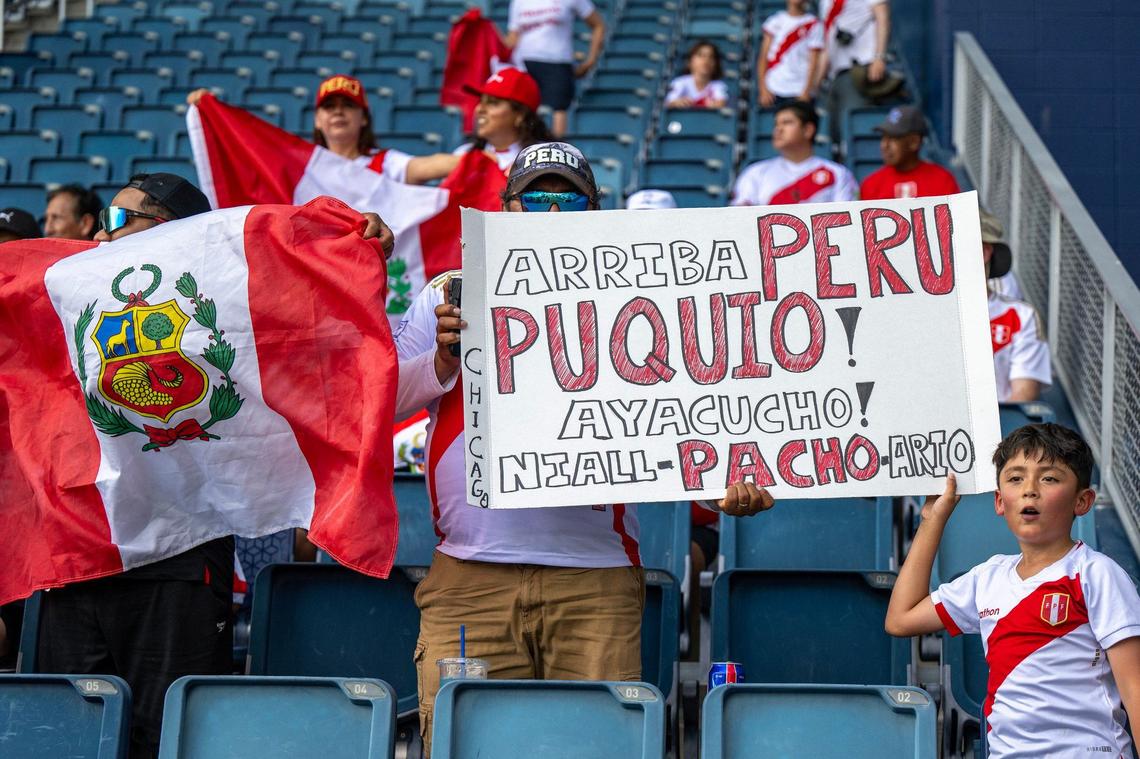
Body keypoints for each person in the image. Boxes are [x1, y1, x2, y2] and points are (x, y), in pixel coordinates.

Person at [394, 141, 776, 755]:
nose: (550, 213)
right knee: (463, 747)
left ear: (595, 209)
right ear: (504, 209)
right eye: (535, 199)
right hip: (467, 574)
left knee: (597, 747)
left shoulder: (646, 297)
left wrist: (724, 488)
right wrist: (440, 361)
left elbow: (673, 419)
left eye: (566, 199)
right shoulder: (451, 292)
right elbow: (381, 403)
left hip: (593, 580)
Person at [38, 173, 393, 758]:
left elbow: (320, 336)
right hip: (79, 554)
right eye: (106, 216)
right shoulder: (64, 295)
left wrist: (347, 244)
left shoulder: (226, 308)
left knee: (166, 739)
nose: (104, 232)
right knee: (67, 739)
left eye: (122, 220)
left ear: (172, 231)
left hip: (178, 557)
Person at [885, 424, 1140, 758]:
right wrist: (934, 519)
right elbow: (900, 619)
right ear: (999, 501)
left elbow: (1134, 688)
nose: (1029, 490)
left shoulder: (1097, 574)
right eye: (1016, 478)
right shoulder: (987, 578)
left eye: (1049, 478)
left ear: (1083, 500)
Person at [188, 75, 460, 185]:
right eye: (330, 107)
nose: (338, 112)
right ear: (318, 119)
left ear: (363, 118)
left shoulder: (385, 163)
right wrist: (211, 113)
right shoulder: (299, 166)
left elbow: (431, 165)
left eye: (348, 106)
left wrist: (486, 161)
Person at [502, 0, 606, 137]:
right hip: (523, 64)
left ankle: (555, 155)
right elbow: (513, 37)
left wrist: (591, 60)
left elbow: (598, 25)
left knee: (558, 111)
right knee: (522, 114)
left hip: (557, 63)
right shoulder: (519, 2)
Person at [731, 101, 856, 206]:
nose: (778, 129)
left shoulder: (838, 174)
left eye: (787, 123)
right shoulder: (755, 172)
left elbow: (847, 223)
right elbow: (740, 219)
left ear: (808, 130)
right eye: (776, 124)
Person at [982, 209, 1049, 402]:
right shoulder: (920, 313)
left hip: (999, 429)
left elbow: (1023, 393)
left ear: (985, 251)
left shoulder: (1021, 315)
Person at [818, 0, 894, 146]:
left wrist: (878, 58)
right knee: (835, 134)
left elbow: (882, 16)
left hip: (860, 65)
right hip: (835, 72)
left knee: (851, 129)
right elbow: (828, 39)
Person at [457, 67, 553, 173]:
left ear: (520, 115)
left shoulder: (544, 157)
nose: (480, 109)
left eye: (493, 103)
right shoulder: (464, 152)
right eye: (480, 101)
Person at [858, 105, 960, 200]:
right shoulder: (870, 184)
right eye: (883, 137)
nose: (884, 145)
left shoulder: (942, 180)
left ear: (914, 142)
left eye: (893, 138)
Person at [757, 0, 825, 108]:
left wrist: (807, 91)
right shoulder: (775, 21)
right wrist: (763, 88)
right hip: (774, 87)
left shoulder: (814, 24)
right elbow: (763, 57)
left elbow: (814, 61)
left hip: (799, 89)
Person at [665, 40, 729, 109]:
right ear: (690, 61)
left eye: (711, 56)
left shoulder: (718, 85)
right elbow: (668, 102)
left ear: (716, 64)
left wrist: (715, 105)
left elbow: (721, 102)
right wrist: (676, 103)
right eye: (700, 55)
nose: (706, 60)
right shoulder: (679, 82)